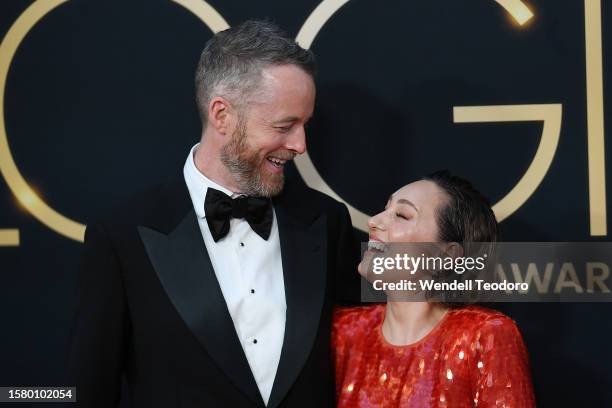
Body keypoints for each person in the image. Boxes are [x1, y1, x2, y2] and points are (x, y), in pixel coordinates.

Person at [68, 20, 359, 408]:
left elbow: (428, 283)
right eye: (284, 125)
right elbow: (88, 389)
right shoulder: (122, 236)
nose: (300, 144)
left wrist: (458, 251)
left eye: (304, 124)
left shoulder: (326, 222)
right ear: (221, 115)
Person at [332, 171, 535, 407]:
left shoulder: (484, 336)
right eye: (385, 208)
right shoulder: (342, 331)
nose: (374, 221)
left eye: (401, 215)